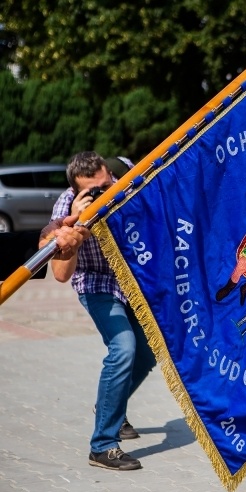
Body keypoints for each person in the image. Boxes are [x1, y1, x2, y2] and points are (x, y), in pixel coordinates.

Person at [48, 151, 156, 470]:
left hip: (134, 280)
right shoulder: (66, 206)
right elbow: (60, 274)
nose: (103, 192)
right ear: (76, 190)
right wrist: (78, 223)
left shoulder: (126, 177)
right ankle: (103, 445)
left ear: (108, 171)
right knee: (123, 348)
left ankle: (109, 407)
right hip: (96, 282)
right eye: (93, 191)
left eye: (105, 183)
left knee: (149, 352)